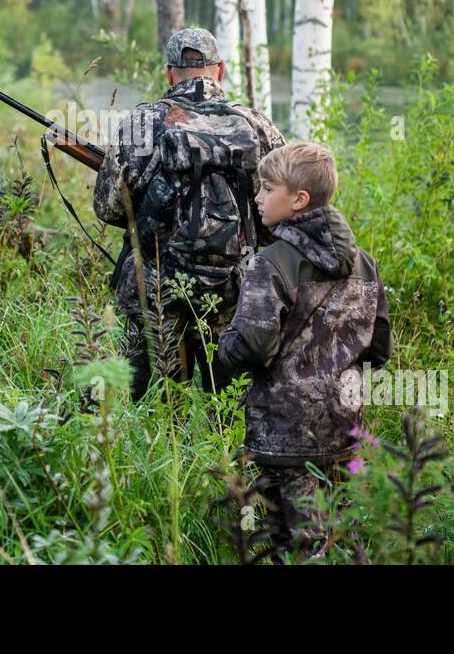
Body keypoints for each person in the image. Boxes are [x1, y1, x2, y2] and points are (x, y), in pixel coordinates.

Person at [211, 141, 392, 560]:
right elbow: (379, 348)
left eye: (266, 188)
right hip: (345, 432)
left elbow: (253, 345)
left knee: (293, 545)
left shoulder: (270, 263)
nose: (256, 197)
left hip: (283, 438)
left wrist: (220, 351)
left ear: (299, 200)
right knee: (342, 540)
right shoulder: (365, 263)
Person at [91, 28, 285, 402]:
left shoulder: (144, 122)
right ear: (221, 71)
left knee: (154, 410)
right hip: (234, 294)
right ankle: (230, 461)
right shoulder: (256, 125)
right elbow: (282, 215)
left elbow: (108, 208)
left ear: (168, 73)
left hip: (157, 292)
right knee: (231, 409)